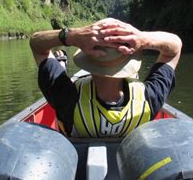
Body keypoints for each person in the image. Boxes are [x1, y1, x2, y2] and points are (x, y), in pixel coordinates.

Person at [29, 18, 182, 137]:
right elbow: (174, 47)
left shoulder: (66, 97)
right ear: (129, 63)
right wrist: (143, 38)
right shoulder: (150, 98)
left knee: (64, 80)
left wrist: (71, 35)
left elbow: (37, 45)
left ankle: (60, 63)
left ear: (88, 61)